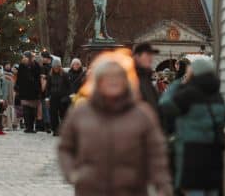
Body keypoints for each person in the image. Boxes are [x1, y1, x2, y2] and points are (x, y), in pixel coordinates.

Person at [58, 52, 172, 196]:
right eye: (107, 77)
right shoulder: (81, 113)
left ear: (126, 81)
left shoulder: (141, 114)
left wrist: (162, 186)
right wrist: (73, 173)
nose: (113, 81)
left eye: (118, 77)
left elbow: (157, 154)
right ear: (98, 81)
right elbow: (65, 147)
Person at [163, 56, 225, 196]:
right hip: (215, 156)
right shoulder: (219, 97)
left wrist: (178, 83)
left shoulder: (189, 94)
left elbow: (165, 105)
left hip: (192, 157)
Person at [15, 51, 41, 133]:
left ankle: (28, 127)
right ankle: (30, 127)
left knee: (28, 109)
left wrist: (17, 86)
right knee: (31, 109)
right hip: (32, 90)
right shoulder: (35, 65)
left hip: (27, 90)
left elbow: (19, 78)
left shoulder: (23, 65)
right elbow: (38, 76)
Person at [132, 42, 161, 116]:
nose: (151, 58)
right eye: (147, 55)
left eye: (151, 55)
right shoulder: (132, 78)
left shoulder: (145, 77)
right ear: (137, 56)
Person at [47, 58, 71, 136]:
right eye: (54, 67)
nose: (56, 68)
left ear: (60, 67)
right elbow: (48, 86)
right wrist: (47, 96)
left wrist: (67, 96)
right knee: (53, 114)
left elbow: (69, 87)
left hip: (63, 97)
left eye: (57, 67)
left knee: (63, 114)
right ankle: (55, 130)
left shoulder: (65, 75)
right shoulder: (50, 75)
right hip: (53, 97)